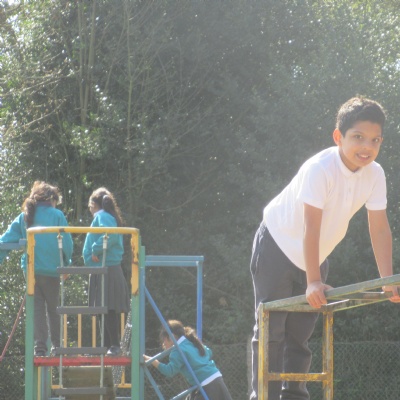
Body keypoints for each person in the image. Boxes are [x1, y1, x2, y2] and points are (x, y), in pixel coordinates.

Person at [249, 96, 400, 400]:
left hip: (315, 255)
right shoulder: (321, 168)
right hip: (277, 244)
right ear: (338, 137)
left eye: (375, 140)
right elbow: (311, 226)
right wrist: (313, 281)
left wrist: (387, 281)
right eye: (358, 137)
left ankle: (295, 396)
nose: (366, 147)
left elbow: (379, 227)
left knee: (300, 334)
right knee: (271, 329)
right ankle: (263, 396)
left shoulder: (375, 174)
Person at [0, 181, 73, 357]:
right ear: (51, 199)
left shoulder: (25, 216)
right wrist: (67, 263)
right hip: (53, 271)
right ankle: (57, 346)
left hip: (32, 271)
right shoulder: (57, 215)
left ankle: (40, 347)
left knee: (37, 310)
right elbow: (67, 244)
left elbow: (5, 240)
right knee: (54, 309)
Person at [83, 187, 130, 356]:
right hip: (102, 267)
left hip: (106, 267)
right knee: (103, 308)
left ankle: (114, 345)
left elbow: (110, 235)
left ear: (94, 204)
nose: (89, 207)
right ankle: (107, 345)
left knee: (108, 307)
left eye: (90, 203)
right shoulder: (106, 216)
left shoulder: (102, 216)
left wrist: (96, 249)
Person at [144, 319, 233, 400]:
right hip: (216, 378)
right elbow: (208, 352)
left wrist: (152, 361)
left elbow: (169, 371)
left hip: (205, 384)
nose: (163, 344)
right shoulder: (191, 341)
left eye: (164, 340)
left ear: (171, 337)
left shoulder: (177, 351)